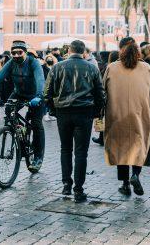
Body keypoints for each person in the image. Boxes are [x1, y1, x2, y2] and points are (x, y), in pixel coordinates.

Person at [44, 40, 105, 203]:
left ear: (69, 51)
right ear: (83, 51)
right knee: (81, 152)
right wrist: (97, 112)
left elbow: (47, 93)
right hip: (84, 112)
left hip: (63, 112)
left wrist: (53, 110)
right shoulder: (92, 67)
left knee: (65, 149)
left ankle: (66, 184)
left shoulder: (57, 67)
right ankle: (78, 189)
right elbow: (100, 93)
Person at [104, 37, 150, 196]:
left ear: (121, 50)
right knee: (139, 144)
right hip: (141, 113)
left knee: (121, 147)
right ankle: (135, 175)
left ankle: (125, 184)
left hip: (117, 114)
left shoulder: (112, 67)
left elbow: (103, 89)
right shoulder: (146, 68)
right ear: (138, 52)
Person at [0, 40, 46, 172]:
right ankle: (18, 130)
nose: (16, 55)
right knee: (8, 110)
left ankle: (38, 156)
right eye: (13, 53)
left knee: (36, 123)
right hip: (19, 93)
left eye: (19, 52)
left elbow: (40, 80)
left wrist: (39, 96)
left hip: (35, 96)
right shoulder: (11, 63)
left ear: (26, 53)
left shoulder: (34, 63)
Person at [92, 51, 119, 146]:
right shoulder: (119, 68)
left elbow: (101, 83)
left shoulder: (108, 67)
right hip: (115, 97)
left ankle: (101, 137)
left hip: (106, 96)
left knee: (100, 116)